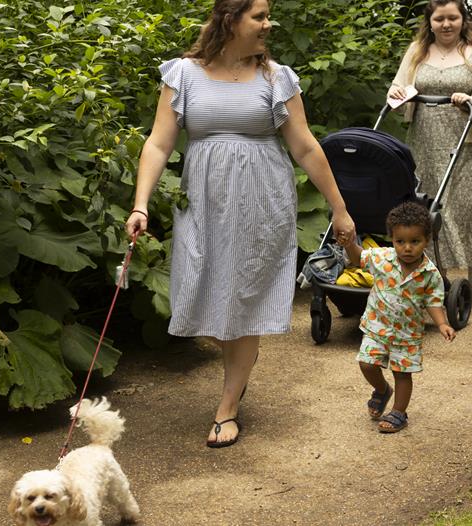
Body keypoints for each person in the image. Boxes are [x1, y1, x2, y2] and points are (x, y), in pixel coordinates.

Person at [124, 0, 354, 447]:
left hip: (262, 202)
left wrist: (339, 208)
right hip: (203, 203)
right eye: (260, 17)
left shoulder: (276, 78)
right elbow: (158, 144)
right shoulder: (183, 74)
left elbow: (305, 147)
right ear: (230, 20)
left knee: (244, 298)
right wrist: (140, 204)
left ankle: (228, 403)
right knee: (207, 294)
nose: (270, 24)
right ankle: (238, 370)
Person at [387, 0, 472, 289]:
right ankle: (434, 266)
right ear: (430, 22)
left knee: (469, 202)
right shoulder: (417, 52)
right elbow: (397, 87)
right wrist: (398, 94)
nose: (447, 24)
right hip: (425, 139)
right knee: (429, 200)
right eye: (440, 19)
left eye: (453, 18)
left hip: (467, 138)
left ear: (463, 20)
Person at [336, 201, 455, 433]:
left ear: (426, 241)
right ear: (392, 239)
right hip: (377, 327)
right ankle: (381, 390)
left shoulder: (430, 274)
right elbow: (359, 258)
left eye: (414, 242)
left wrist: (442, 324)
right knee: (366, 364)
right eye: (400, 241)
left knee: (402, 374)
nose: (407, 248)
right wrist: (350, 244)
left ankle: (399, 412)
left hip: (407, 334)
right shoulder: (383, 258)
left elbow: (433, 301)